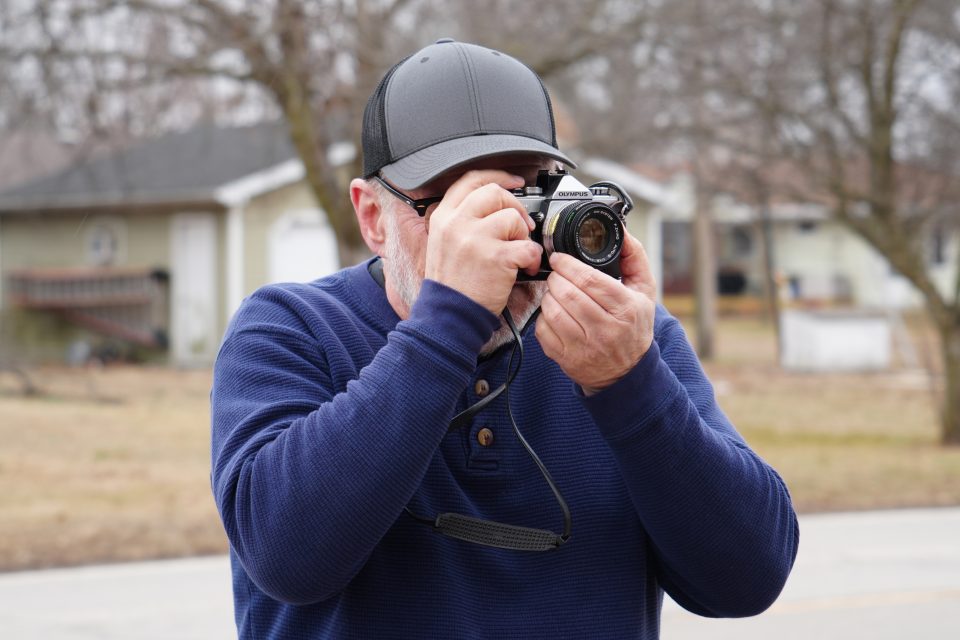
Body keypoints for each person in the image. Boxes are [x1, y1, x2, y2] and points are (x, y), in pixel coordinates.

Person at [210, 38, 799, 639]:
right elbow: (285, 557)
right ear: (371, 218)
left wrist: (630, 384)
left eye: (522, 200)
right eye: (451, 208)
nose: (495, 239)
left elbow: (747, 579)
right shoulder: (290, 328)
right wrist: (447, 325)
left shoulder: (617, 340)